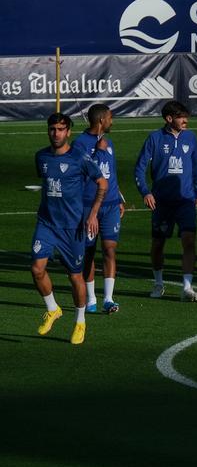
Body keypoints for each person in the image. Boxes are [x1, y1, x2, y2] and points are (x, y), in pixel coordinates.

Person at [32, 113, 106, 345]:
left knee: (75, 276)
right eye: (52, 129)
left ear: (68, 132)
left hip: (72, 228)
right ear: (48, 131)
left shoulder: (79, 158)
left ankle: (80, 321)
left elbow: (102, 182)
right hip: (46, 223)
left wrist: (93, 213)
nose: (56, 133)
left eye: (61, 129)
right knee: (36, 268)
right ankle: (53, 309)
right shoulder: (41, 156)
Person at [134, 101, 197, 302]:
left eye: (186, 116)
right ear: (169, 118)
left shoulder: (190, 138)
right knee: (158, 243)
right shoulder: (154, 139)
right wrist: (146, 192)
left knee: (189, 240)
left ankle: (187, 287)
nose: (186, 120)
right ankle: (158, 283)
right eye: (182, 117)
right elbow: (139, 168)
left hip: (186, 200)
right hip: (161, 202)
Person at [72, 104, 124, 315]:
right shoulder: (80, 144)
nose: (112, 121)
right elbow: (79, 171)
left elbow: (110, 171)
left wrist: (119, 197)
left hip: (110, 204)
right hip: (88, 205)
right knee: (89, 251)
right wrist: (96, 151)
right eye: (110, 117)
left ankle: (109, 299)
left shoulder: (108, 143)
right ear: (101, 120)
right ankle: (91, 298)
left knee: (110, 248)